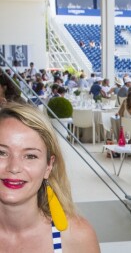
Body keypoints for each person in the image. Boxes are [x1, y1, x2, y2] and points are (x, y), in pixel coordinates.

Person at [0, 102, 100, 252]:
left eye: (30, 156)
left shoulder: (77, 237)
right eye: (2, 153)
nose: (14, 168)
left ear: (49, 166)